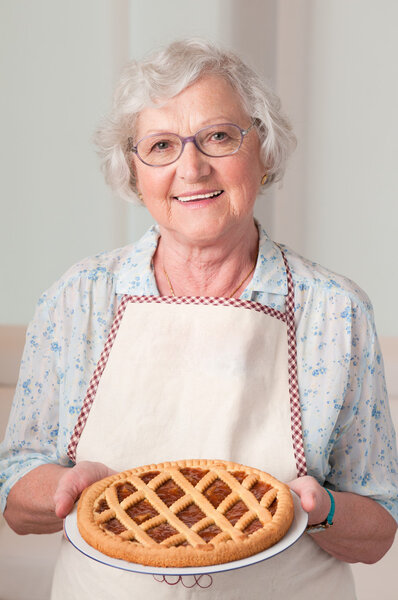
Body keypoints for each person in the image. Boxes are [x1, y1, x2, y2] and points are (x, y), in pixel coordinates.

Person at [1, 38, 397, 599]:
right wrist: (66, 487)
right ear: (135, 176)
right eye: (161, 145)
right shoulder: (78, 299)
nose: (191, 167)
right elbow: (17, 499)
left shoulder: (334, 311)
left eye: (218, 136)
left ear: (263, 151)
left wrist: (319, 506)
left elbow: (378, 532)